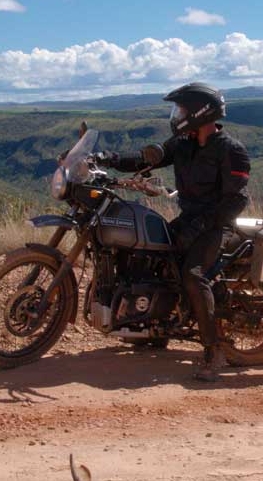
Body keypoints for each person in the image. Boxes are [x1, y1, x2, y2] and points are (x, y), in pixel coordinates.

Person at [100, 83, 251, 382]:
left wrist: (203, 223)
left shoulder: (231, 151)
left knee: (193, 275)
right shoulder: (183, 143)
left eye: (181, 110)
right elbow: (147, 158)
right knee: (148, 256)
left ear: (199, 112)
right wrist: (108, 158)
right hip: (189, 219)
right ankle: (154, 329)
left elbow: (236, 200)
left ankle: (213, 351)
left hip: (215, 226)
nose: (177, 115)